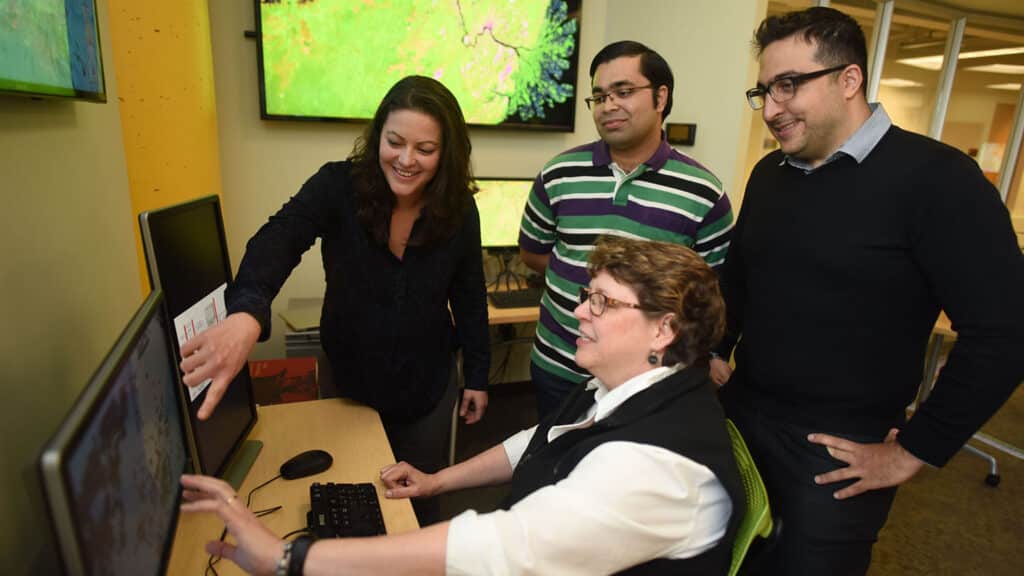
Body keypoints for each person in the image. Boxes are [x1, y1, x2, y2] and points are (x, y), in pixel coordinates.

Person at [181, 236, 745, 576]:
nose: (580, 313)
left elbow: (505, 548)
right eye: (584, 296)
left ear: (664, 330)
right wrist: (435, 482)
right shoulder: (624, 390)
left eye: (601, 302)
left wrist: (290, 559)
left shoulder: (654, 467)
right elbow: (540, 441)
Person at [711, 7, 1024, 575]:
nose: (772, 107)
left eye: (788, 85)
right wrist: (713, 348)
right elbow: (739, 280)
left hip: (837, 455)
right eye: (764, 91)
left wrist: (916, 449)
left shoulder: (938, 181)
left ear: (848, 79)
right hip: (741, 420)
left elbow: (1005, 331)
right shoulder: (769, 174)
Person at [178, 75, 491, 525]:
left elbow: (468, 294)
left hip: (427, 388)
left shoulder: (460, 209)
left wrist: (477, 374)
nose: (405, 160)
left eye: (425, 150)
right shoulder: (336, 185)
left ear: (447, 154)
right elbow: (279, 239)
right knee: (352, 501)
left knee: (418, 509)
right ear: (377, 135)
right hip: (350, 382)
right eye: (395, 142)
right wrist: (247, 311)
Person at [519, 40, 734, 418]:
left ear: (660, 97)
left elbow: (709, 291)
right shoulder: (558, 173)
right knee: (550, 465)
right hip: (560, 368)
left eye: (624, 92)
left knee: (629, 474)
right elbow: (535, 254)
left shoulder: (704, 192)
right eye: (599, 96)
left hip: (645, 382)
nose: (608, 106)